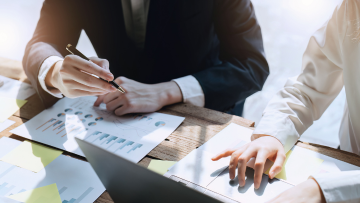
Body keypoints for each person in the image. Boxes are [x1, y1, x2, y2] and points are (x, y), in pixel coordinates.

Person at [213, 0, 360, 202]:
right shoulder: (352, 8)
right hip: (348, 162)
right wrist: (272, 134)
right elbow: (309, 88)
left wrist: (324, 190)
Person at [23, 0, 269, 117]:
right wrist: (54, 72)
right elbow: (43, 41)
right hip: (115, 111)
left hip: (202, 113)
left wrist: (167, 91)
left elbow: (251, 65)